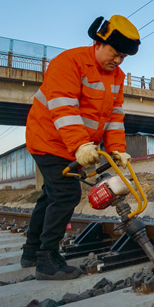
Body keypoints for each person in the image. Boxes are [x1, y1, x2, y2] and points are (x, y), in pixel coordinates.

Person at [21, 14, 140, 279]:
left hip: (74, 146)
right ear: (98, 42)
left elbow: (114, 117)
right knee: (65, 195)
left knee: (51, 195)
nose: (118, 60)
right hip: (49, 139)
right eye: (115, 53)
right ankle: (47, 260)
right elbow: (64, 109)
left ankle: (31, 252)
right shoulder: (69, 62)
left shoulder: (117, 76)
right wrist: (80, 145)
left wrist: (117, 149)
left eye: (123, 57)